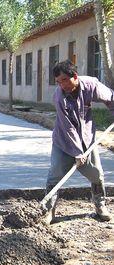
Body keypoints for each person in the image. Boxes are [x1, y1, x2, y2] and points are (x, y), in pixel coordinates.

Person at [42, 60, 113, 225]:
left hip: (87, 139)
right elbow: (68, 128)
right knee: (56, 173)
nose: (61, 85)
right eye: (58, 82)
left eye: (64, 80)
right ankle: (49, 210)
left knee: (97, 174)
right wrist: (77, 153)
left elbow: (111, 97)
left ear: (74, 76)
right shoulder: (59, 97)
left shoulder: (90, 85)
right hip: (63, 141)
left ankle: (100, 205)